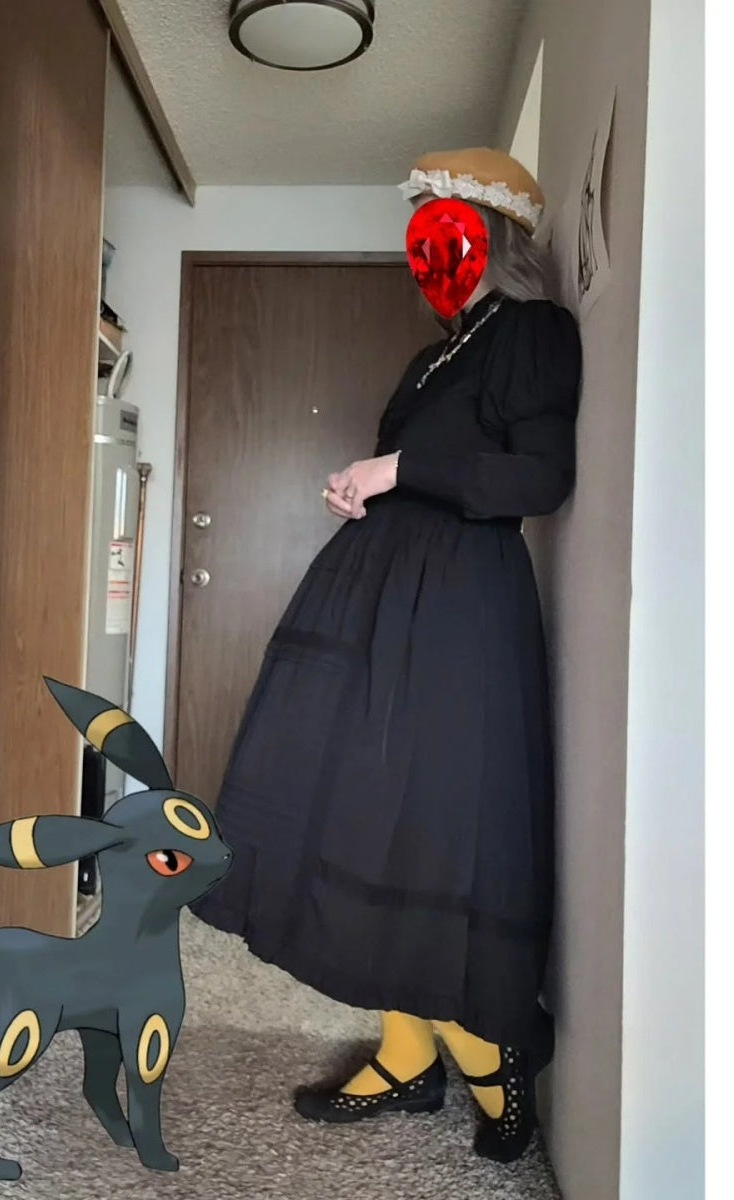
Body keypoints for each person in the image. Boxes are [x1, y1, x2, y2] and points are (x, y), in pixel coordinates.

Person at [189, 148, 583, 1163]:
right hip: (383, 598)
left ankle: (482, 1052)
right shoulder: (435, 357)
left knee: (431, 822)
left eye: (445, 232)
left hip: (456, 612)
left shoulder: (532, 332)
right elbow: (419, 472)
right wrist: (366, 487)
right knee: (365, 813)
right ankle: (408, 1052)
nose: (428, 256)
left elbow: (538, 478)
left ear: (490, 236)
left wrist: (401, 465)